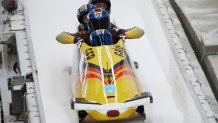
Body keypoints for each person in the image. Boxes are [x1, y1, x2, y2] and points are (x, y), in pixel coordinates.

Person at [56, 8, 144, 45]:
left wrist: (126, 35)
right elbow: (60, 37)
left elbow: (139, 31)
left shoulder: (115, 32)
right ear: (89, 24)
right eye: (95, 23)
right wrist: (75, 39)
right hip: (91, 64)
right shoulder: (84, 35)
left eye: (102, 22)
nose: (99, 26)